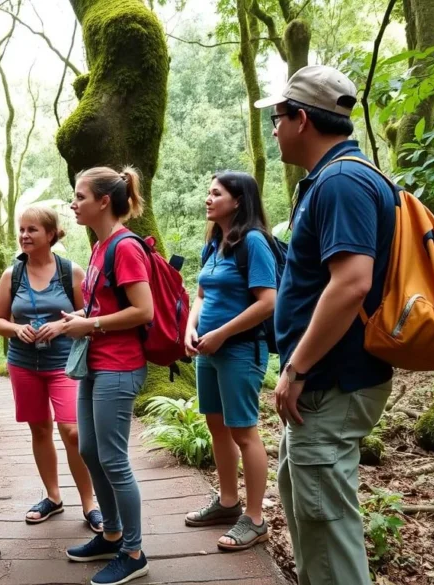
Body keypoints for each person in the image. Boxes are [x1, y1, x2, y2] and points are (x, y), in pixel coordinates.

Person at [255, 65, 395, 584]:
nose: (274, 129)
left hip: (332, 379)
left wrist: (296, 367)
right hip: (328, 382)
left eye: (277, 117)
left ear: (301, 120)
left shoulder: (340, 181)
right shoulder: (339, 178)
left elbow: (352, 282)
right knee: (309, 509)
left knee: (325, 522)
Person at [60, 166, 153, 585]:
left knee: (114, 459)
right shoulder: (99, 248)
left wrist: (90, 326)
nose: (73, 203)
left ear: (102, 202)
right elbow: (105, 306)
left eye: (80, 196)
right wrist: (81, 318)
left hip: (120, 366)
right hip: (95, 363)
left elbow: (142, 311)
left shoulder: (125, 246)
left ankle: (133, 552)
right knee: (89, 451)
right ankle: (112, 532)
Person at [0, 206, 103, 532]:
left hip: (65, 364)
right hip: (23, 364)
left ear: (50, 234)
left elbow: (89, 311)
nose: (24, 235)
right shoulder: (12, 275)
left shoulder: (72, 272)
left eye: (32, 230)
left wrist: (61, 326)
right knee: (39, 430)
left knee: (73, 431)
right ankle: (53, 498)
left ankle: (90, 502)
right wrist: (16, 329)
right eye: (21, 229)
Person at [183, 172, 276, 551]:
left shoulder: (253, 242)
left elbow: (268, 301)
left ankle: (254, 518)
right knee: (217, 427)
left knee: (243, 431)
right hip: (208, 351)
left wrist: (222, 333)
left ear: (238, 201)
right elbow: (201, 294)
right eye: (208, 192)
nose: (208, 199)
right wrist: (190, 327)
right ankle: (226, 502)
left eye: (216, 193)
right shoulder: (216, 243)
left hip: (240, 350)